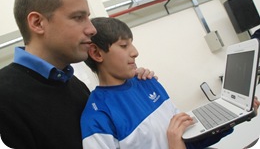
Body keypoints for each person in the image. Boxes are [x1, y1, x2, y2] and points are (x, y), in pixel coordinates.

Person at [0, 0, 156, 149]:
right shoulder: (5, 96)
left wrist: (133, 87)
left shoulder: (73, 85)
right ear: (38, 23)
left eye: (88, 17)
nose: (92, 29)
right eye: (78, 17)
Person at [80, 17, 258, 149]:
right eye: (124, 45)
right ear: (97, 53)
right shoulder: (97, 118)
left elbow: (186, 136)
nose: (135, 52)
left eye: (132, 44)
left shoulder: (147, 82)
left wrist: (231, 119)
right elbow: (176, 143)